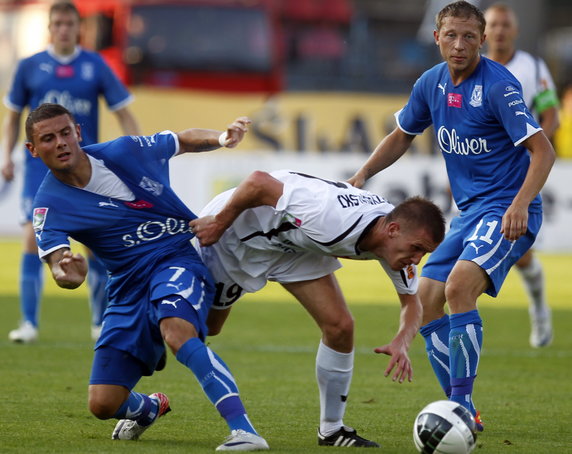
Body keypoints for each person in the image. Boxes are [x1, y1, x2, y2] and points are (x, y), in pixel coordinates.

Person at [347, 1, 555, 431]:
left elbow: (543, 151)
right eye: (451, 36)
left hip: (507, 211)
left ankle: (460, 407)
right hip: (469, 213)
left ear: (482, 41)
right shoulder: (430, 83)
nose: (459, 45)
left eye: (469, 37)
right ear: (437, 37)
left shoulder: (499, 86)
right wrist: (364, 172)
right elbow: (402, 135)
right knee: (426, 299)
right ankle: (463, 412)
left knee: (459, 287)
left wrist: (518, 205)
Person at [26, 102, 268, 451]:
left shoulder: (122, 150)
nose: (60, 143)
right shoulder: (48, 205)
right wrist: (68, 272)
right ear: (34, 150)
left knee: (176, 329)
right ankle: (150, 407)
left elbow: (180, 140)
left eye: (65, 133)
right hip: (126, 287)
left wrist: (222, 137)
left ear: (78, 132)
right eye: (48, 139)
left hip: (176, 257)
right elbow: (59, 265)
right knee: (103, 403)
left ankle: (244, 430)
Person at [190, 169, 446, 447]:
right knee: (204, 327)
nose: (417, 260)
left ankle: (332, 430)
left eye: (425, 253)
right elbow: (257, 182)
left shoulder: (394, 241)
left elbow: (412, 302)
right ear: (393, 230)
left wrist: (402, 341)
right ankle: (141, 397)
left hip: (293, 245)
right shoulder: (329, 217)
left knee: (340, 326)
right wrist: (218, 223)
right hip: (238, 234)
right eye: (417, 248)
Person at [2, 1, 140, 343]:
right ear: (50, 28)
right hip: (39, 169)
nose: (63, 29)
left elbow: (123, 111)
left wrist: (137, 150)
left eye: (69, 23)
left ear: (79, 28)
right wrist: (6, 156)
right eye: (58, 23)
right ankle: (29, 324)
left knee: (95, 242)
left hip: (85, 169)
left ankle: (99, 321)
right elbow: (13, 116)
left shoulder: (95, 65)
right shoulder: (30, 66)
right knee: (32, 238)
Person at [484, 3, 559, 348]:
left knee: (517, 250)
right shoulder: (469, 67)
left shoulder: (532, 66)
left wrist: (535, 150)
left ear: (514, 30)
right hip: (478, 172)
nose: (499, 31)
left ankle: (539, 307)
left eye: (505, 25)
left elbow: (550, 115)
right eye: (493, 25)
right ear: (484, 31)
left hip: (515, 171)